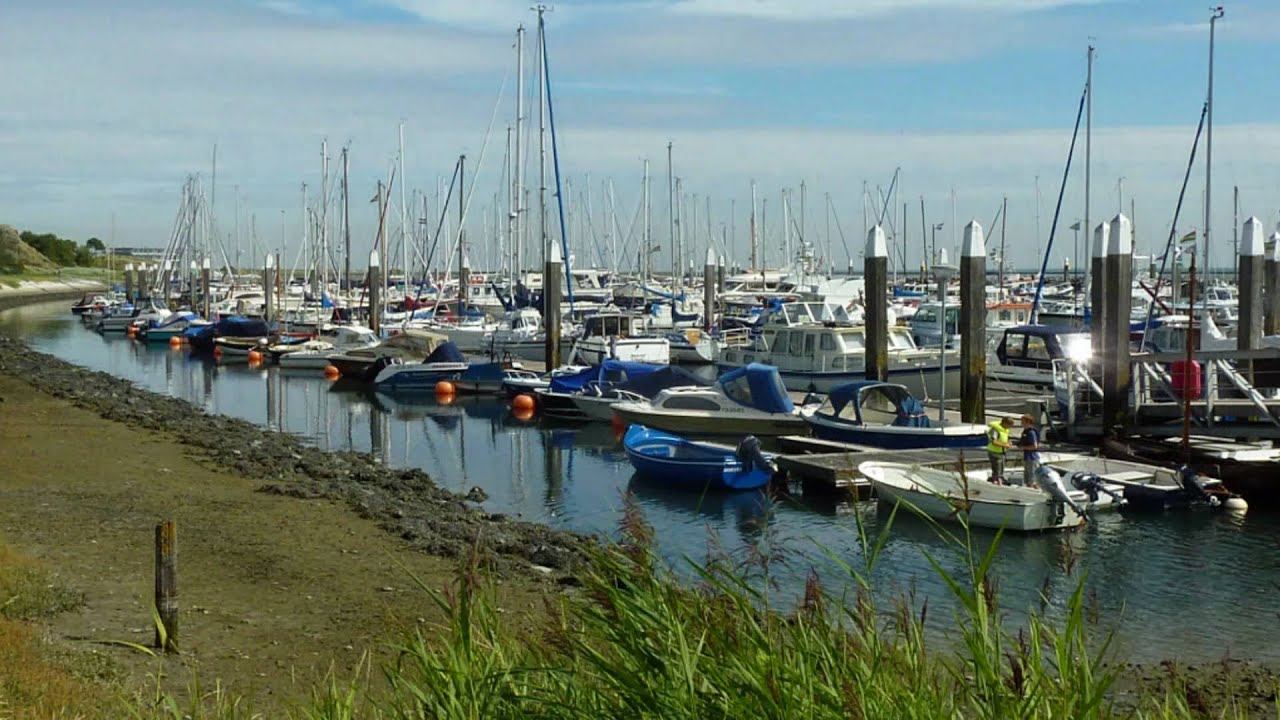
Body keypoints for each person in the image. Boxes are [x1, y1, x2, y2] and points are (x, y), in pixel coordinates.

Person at [986, 417, 1015, 484]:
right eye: (1009, 425)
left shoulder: (1005, 429)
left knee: (1001, 469)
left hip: (1001, 452)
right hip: (995, 452)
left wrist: (1008, 442)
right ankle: (997, 482)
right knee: (997, 470)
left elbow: (1004, 438)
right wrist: (1005, 445)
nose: (1010, 427)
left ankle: (999, 480)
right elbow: (994, 442)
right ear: (1005, 423)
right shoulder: (996, 430)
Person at [1019, 414, 1042, 487]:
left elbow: (1034, 446)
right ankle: (1029, 487)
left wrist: (1024, 448)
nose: (1021, 423)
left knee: (1032, 477)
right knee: (1027, 476)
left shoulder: (1031, 432)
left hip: (1032, 457)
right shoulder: (1025, 431)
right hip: (1027, 457)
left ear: (1028, 422)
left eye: (1022, 422)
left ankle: (1034, 489)